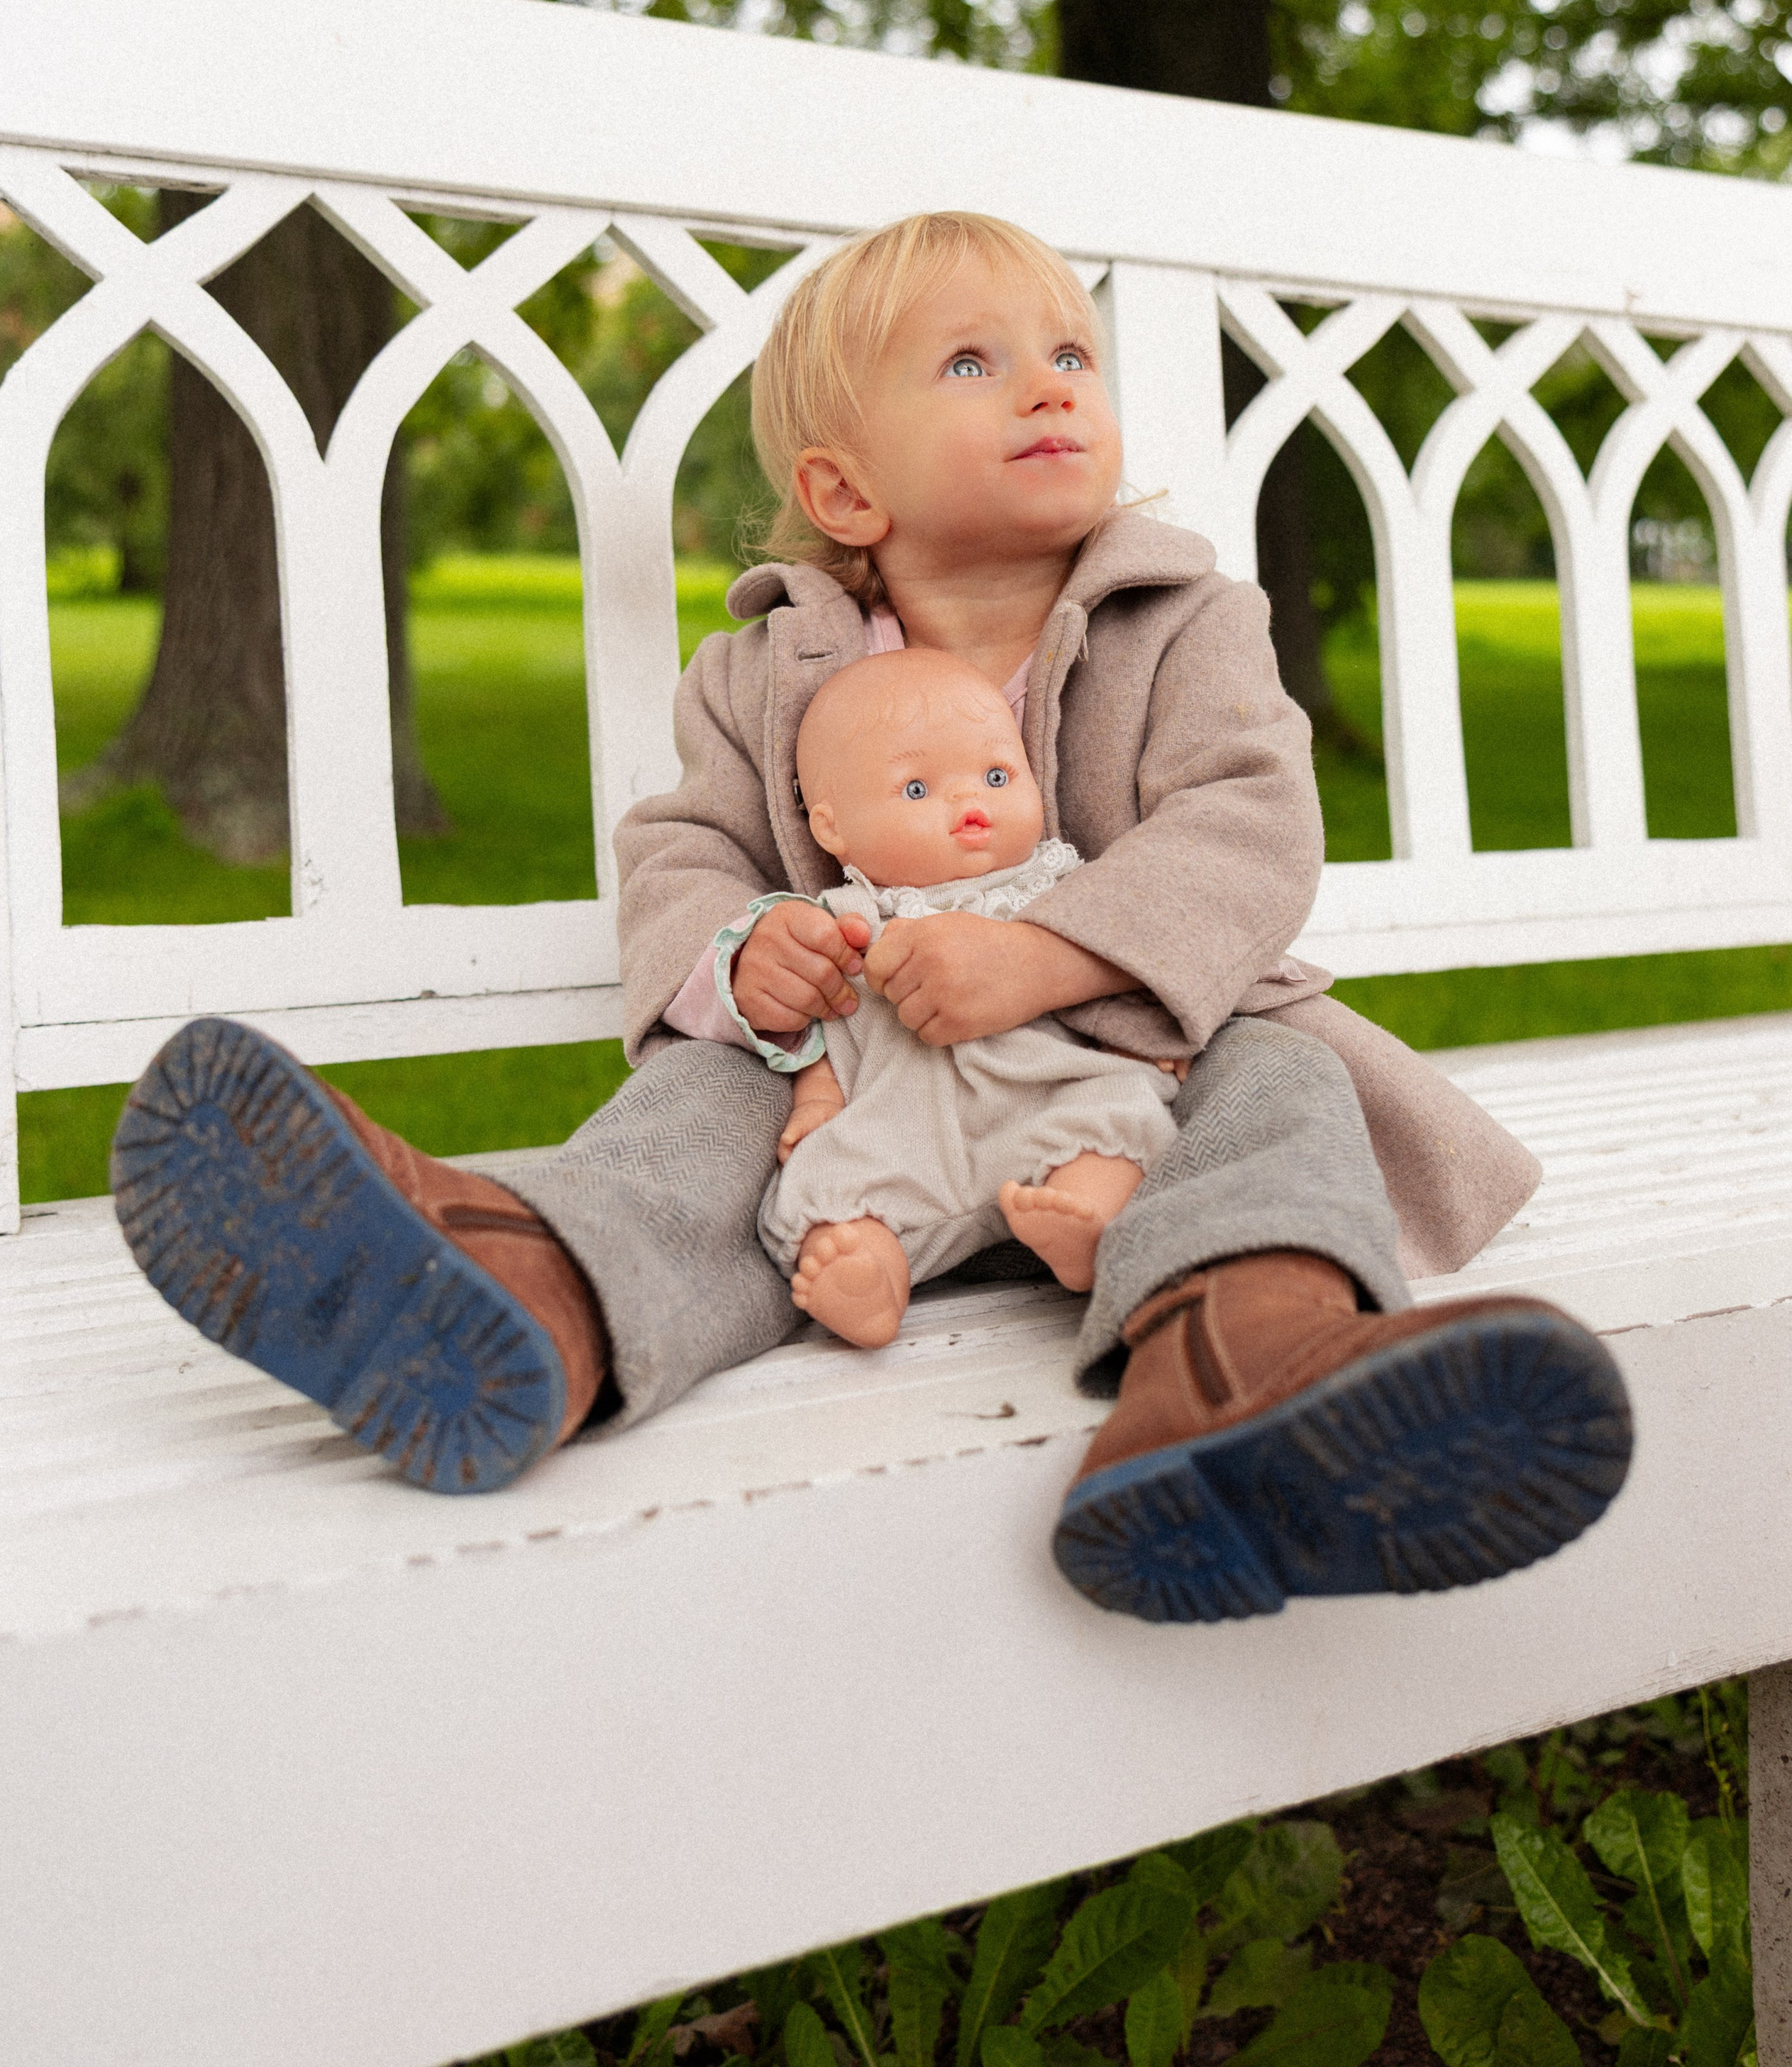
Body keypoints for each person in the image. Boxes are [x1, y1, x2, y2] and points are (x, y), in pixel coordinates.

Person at [111, 211, 1632, 1624]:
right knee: (701, 1109)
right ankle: (527, 1295)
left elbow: (1249, 825)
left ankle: (1249, 1365)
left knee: (1282, 1083)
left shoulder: (1184, 619)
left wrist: (1047, 954)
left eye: (1070, 352)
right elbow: (687, 847)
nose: (1047, 383)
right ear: (845, 492)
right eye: (973, 362)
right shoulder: (762, 671)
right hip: (856, 1113)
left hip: (1137, 1082)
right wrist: (740, 958)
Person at [744, 645, 1182, 1346]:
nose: (970, 801)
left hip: (1043, 1096)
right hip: (901, 1125)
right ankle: (868, 1274)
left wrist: (1144, 1033)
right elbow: (826, 1019)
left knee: (1114, 1114)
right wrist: (817, 1102)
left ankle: (1087, 1220)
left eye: (997, 775)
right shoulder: (842, 922)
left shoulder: (1055, 888)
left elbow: (1109, 967)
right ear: (832, 827)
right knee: (825, 1180)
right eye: (917, 790)